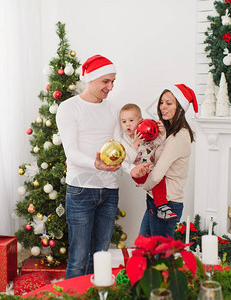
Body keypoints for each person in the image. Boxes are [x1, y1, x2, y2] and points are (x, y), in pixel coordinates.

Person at [56, 54, 150, 279]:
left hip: (109, 192)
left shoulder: (112, 109)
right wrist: (96, 164)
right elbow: (72, 153)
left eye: (113, 81)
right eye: (106, 81)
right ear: (91, 78)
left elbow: (119, 150)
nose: (111, 86)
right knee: (78, 257)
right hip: (81, 190)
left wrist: (131, 169)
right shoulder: (69, 108)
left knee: (100, 257)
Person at [138, 84, 197, 238]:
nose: (163, 107)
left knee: (161, 258)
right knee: (144, 251)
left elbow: (157, 174)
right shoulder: (170, 133)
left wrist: (143, 184)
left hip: (167, 204)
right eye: (162, 102)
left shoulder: (179, 137)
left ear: (180, 108)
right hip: (155, 201)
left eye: (169, 103)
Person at [119, 104, 177, 220]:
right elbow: (127, 160)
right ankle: (162, 206)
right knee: (156, 180)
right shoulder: (125, 140)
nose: (128, 124)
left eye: (131, 120)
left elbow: (159, 144)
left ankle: (159, 207)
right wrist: (134, 144)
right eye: (124, 122)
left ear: (141, 121)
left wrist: (161, 133)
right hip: (138, 172)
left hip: (151, 168)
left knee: (159, 177)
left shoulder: (147, 134)